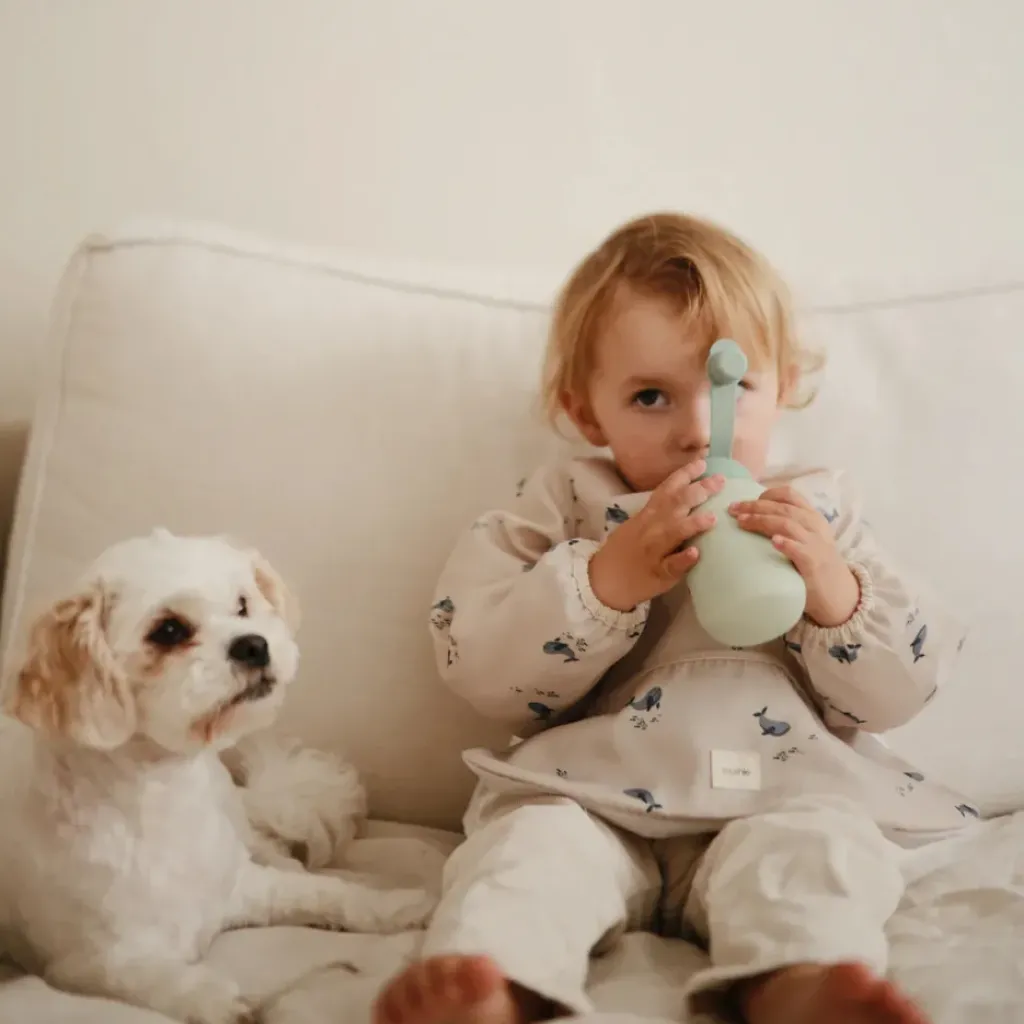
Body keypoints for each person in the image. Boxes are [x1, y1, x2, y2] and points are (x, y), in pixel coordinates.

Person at [373, 212, 974, 1024]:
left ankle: (803, 982)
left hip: (779, 795)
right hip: (592, 796)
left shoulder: (819, 508)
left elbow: (909, 686)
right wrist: (607, 579)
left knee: (817, 855)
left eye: (731, 390)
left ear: (784, 383)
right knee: (530, 855)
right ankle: (493, 986)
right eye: (650, 397)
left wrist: (835, 594)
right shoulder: (565, 503)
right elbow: (476, 661)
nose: (697, 432)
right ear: (588, 414)